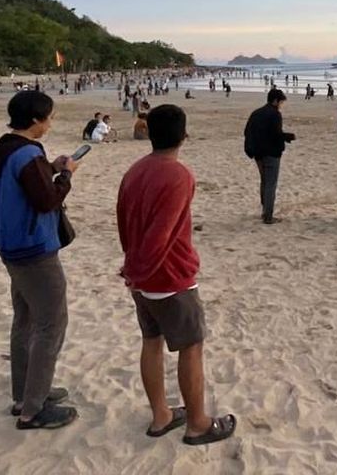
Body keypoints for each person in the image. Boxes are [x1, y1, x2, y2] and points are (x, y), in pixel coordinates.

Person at [116, 105, 237, 446]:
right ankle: (197, 423)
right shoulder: (178, 174)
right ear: (184, 134)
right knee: (191, 346)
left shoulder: (134, 171)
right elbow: (162, 234)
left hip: (140, 274)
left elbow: (124, 222)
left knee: (151, 342)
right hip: (167, 277)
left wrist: (131, 268)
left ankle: (161, 415)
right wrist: (139, 270)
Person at [0, 91, 79, 429]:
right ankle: (33, 409)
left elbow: (32, 183)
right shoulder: (25, 153)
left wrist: (49, 168)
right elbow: (46, 200)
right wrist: (66, 174)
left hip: (13, 246)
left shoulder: (8, 148)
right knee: (51, 323)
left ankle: (26, 394)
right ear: (36, 120)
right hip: (33, 249)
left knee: (25, 319)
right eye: (49, 118)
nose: (50, 124)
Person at [243, 89, 296, 225]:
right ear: (275, 101)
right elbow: (275, 133)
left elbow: (247, 131)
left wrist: (251, 150)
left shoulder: (256, 113)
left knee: (265, 181)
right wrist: (288, 137)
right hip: (271, 153)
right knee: (271, 184)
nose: (281, 105)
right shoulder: (275, 114)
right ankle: (268, 215)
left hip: (257, 152)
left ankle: (264, 211)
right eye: (281, 102)